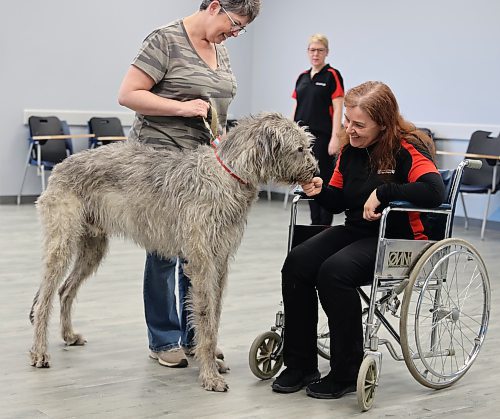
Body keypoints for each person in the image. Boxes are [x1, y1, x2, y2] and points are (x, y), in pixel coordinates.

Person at [272, 81, 445, 399]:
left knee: (334, 272)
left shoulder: (407, 149)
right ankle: (300, 364)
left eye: (359, 124)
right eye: (347, 121)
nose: (349, 130)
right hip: (356, 231)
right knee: (297, 262)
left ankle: (346, 372)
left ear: (383, 123)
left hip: (399, 239)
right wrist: (320, 190)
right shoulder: (351, 151)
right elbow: (339, 199)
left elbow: (435, 191)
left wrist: (384, 191)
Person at [117, 0, 261, 368]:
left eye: (241, 29)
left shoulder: (220, 49)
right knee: (164, 251)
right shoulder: (164, 40)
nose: (235, 33)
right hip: (158, 164)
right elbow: (129, 94)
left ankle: (198, 336)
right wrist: (181, 108)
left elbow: (218, 108)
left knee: (201, 253)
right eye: (235, 23)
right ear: (214, 6)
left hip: (203, 167)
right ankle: (163, 339)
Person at [292, 34, 344, 226]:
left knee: (324, 179)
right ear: (308, 52)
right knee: (309, 178)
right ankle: (315, 223)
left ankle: (324, 224)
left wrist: (335, 137)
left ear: (326, 52)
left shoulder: (332, 75)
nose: (316, 54)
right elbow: (296, 107)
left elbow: (338, 107)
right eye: (312, 50)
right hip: (303, 140)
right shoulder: (302, 77)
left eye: (320, 50)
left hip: (323, 137)